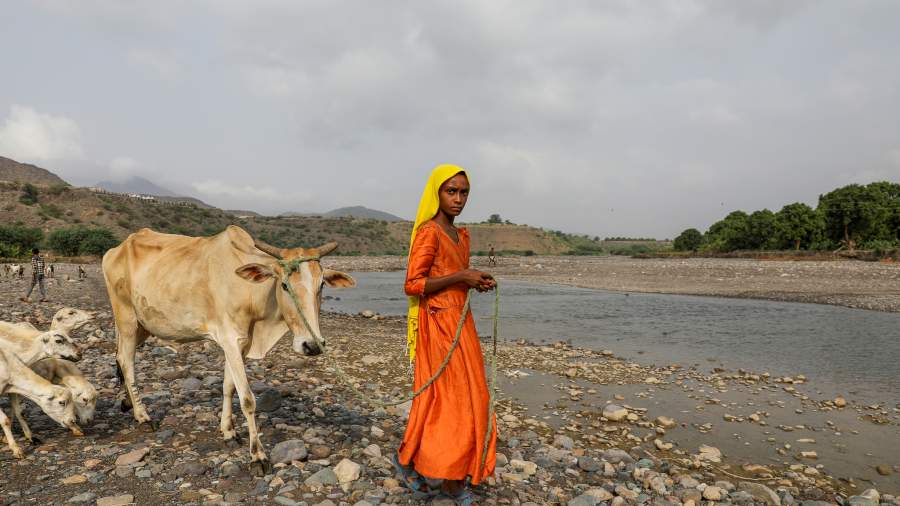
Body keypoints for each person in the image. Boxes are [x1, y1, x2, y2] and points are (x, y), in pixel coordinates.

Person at [394, 164, 497, 504]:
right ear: (436, 193)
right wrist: (460, 277)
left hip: (460, 323)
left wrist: (475, 281)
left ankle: (428, 465)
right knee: (449, 398)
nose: (458, 198)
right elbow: (413, 284)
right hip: (438, 326)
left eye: (463, 192)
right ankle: (443, 474)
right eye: (451, 191)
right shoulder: (429, 232)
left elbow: (455, 276)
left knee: (473, 395)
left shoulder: (460, 235)